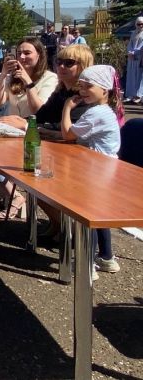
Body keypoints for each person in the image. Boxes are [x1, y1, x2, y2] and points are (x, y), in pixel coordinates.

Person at [0, 44, 95, 239]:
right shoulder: (62, 91)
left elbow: (70, 132)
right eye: (59, 62)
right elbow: (42, 116)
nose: (62, 67)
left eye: (69, 63)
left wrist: (31, 126)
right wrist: (3, 76)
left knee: (38, 178)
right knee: (31, 176)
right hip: (53, 148)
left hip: (83, 159)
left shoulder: (84, 95)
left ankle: (73, 234)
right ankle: (58, 225)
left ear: (83, 66)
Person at [61, 64, 123, 279]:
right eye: (82, 86)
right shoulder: (103, 111)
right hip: (104, 168)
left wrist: (67, 108)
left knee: (87, 216)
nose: (83, 91)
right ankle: (106, 257)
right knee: (98, 215)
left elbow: (68, 134)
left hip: (96, 170)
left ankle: (87, 265)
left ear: (104, 90)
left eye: (89, 86)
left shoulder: (97, 113)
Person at [0, 37, 58, 219]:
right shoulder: (12, 77)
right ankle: (9, 194)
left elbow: (39, 110)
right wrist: (3, 75)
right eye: (19, 53)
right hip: (12, 133)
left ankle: (11, 197)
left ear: (39, 55)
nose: (22, 57)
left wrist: (28, 82)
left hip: (36, 134)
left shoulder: (50, 78)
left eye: (27, 53)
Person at [124, 16, 143, 103]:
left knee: (139, 77)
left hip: (139, 58)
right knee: (131, 76)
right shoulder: (133, 33)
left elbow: (141, 46)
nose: (141, 26)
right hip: (132, 58)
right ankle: (131, 94)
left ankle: (139, 95)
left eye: (142, 24)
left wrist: (134, 53)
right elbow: (130, 44)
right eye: (139, 24)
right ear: (136, 24)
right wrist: (130, 52)